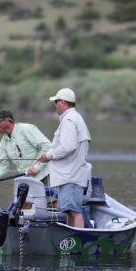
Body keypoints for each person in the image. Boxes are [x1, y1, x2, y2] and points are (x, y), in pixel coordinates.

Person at [35, 88, 91, 228]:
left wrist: (47, 155)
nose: (55, 104)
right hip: (72, 175)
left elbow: (67, 147)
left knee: (74, 211)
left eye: (56, 101)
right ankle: (73, 239)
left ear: (63, 103)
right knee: (70, 212)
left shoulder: (69, 120)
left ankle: (76, 240)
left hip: (70, 176)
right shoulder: (74, 118)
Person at [0, 109, 52, 189]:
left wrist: (37, 168)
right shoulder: (3, 143)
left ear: (6, 120)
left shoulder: (26, 129)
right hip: (28, 181)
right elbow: (3, 167)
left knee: (55, 201)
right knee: (24, 202)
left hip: (47, 175)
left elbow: (48, 146)